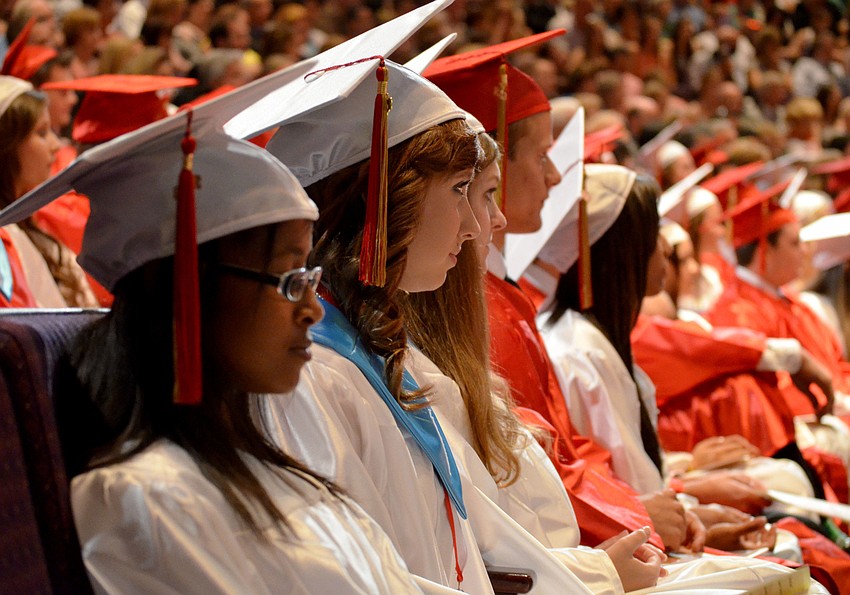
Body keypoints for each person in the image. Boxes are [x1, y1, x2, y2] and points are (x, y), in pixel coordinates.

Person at [0, 86, 446, 594]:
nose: (313, 308)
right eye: (288, 279)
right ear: (191, 295)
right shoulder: (145, 498)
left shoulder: (276, 468)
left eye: (310, 276)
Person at [0, 74, 97, 308]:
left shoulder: (26, 224)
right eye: (42, 133)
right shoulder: (6, 238)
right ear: (7, 147)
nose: (56, 146)